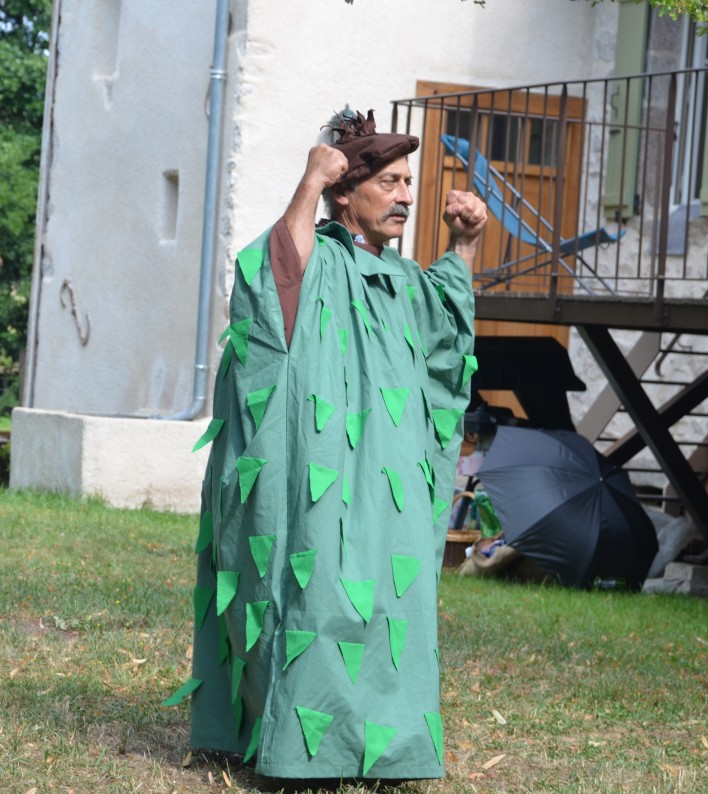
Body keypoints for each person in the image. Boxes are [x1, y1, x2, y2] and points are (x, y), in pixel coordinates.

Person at [185, 109, 486, 779]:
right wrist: (309, 180)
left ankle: (385, 749)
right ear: (346, 194)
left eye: (409, 182)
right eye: (389, 182)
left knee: (390, 600)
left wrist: (463, 247)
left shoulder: (405, 280)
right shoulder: (315, 260)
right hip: (319, 472)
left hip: (389, 481)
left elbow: (446, 345)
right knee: (316, 592)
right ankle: (303, 750)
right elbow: (271, 280)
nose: (405, 196)